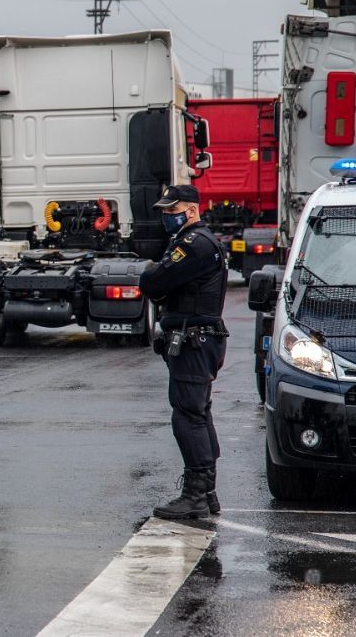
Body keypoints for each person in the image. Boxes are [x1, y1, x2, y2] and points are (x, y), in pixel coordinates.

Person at [138, 183, 229, 520]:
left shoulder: (194, 244)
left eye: (172, 212)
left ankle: (196, 495)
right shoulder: (195, 242)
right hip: (198, 337)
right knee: (197, 413)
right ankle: (206, 492)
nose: (167, 218)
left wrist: (154, 279)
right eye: (164, 212)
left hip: (195, 339)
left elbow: (153, 283)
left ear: (191, 210)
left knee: (188, 415)